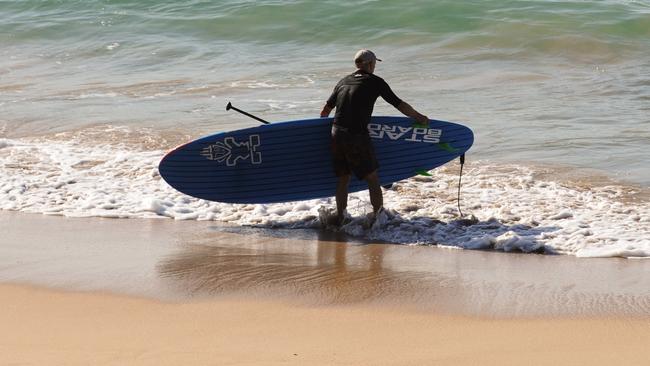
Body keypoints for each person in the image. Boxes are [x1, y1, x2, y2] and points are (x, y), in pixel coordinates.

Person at [320, 49, 429, 225]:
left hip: (336, 133)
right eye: (374, 63)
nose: (375, 67)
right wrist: (419, 117)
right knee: (372, 177)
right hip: (356, 135)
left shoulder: (343, 81)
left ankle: (341, 217)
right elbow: (398, 104)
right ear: (369, 64)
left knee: (343, 178)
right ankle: (379, 219)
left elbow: (325, 111)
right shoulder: (375, 82)